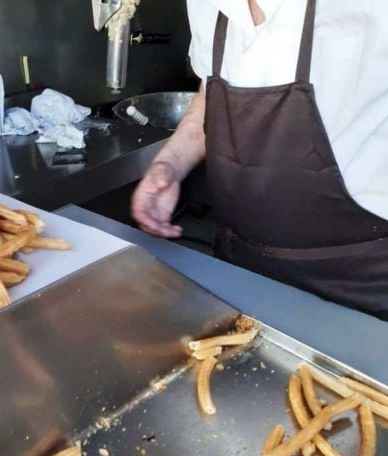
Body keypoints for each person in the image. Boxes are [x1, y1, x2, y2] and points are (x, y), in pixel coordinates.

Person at [131, 0, 388, 319]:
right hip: (242, 275)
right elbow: (209, 93)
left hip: (362, 288)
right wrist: (169, 164)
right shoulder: (206, 5)